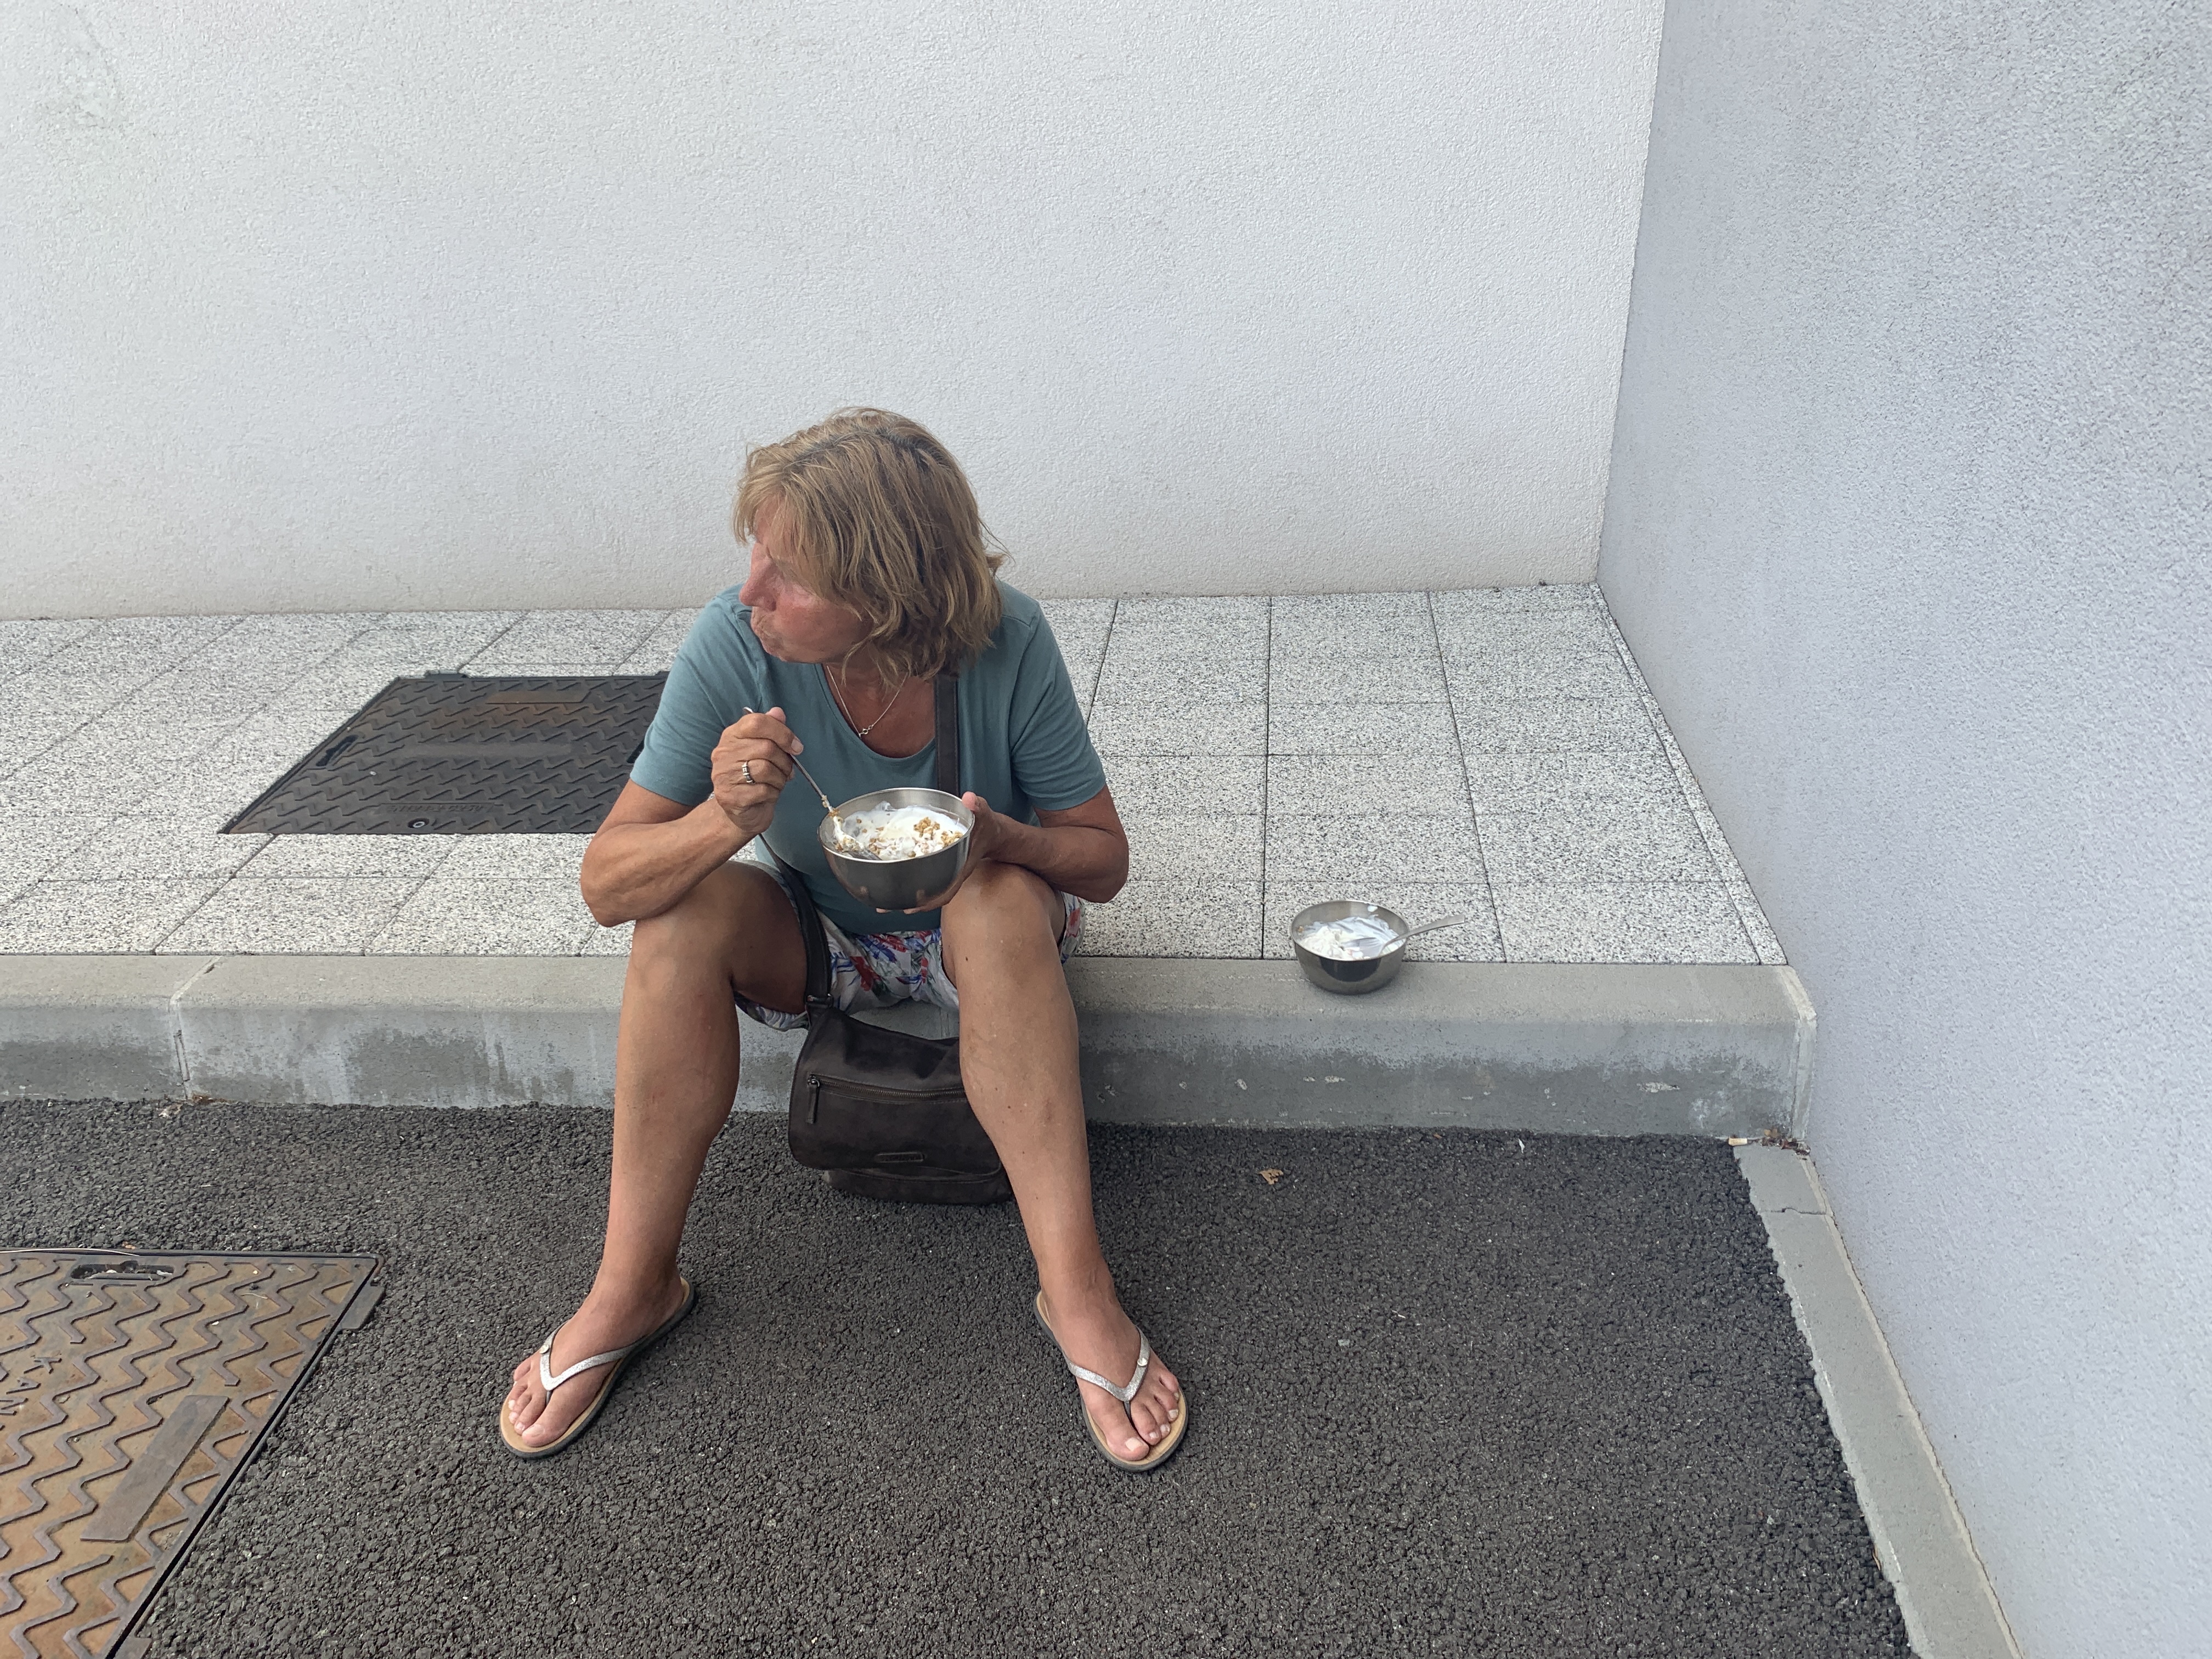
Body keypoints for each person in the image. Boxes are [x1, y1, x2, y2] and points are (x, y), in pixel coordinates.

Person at [498, 409, 1186, 1470]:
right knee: (677, 919)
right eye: (755, 553)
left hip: (981, 932)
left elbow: (1102, 860)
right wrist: (721, 820)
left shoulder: (1007, 640)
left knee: (998, 902)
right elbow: (606, 885)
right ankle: (633, 1286)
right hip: (819, 933)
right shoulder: (733, 645)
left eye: (791, 575)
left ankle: (1076, 1291)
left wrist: (1002, 839)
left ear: (887, 594)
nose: (752, 591)